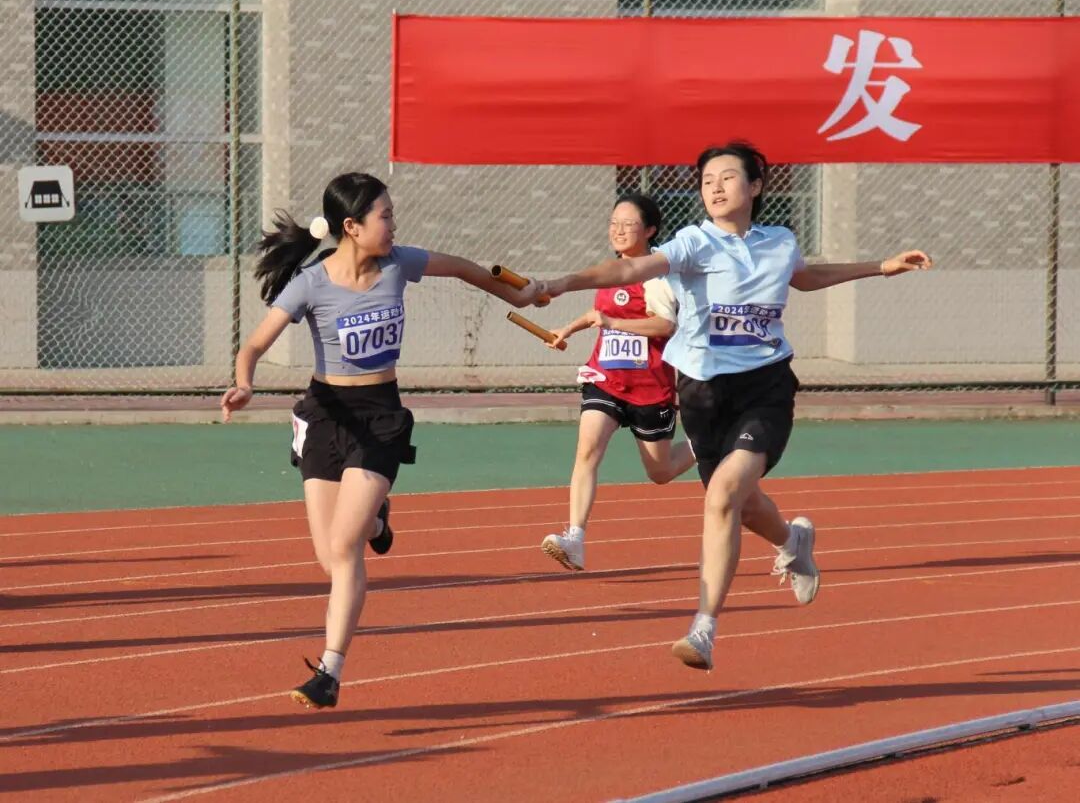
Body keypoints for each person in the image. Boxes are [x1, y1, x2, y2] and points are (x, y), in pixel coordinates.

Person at [539, 141, 931, 670]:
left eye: (727, 177)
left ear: (756, 185)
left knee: (723, 495)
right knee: (743, 505)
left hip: (764, 388)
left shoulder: (779, 241)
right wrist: (563, 283)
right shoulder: (692, 243)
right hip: (701, 394)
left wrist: (882, 266)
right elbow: (629, 271)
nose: (716, 187)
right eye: (707, 181)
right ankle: (793, 541)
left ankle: (703, 629)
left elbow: (807, 277)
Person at [220, 172, 542, 707]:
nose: (392, 225)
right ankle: (377, 520)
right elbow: (252, 346)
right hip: (325, 416)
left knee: (345, 548)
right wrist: (244, 384)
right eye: (384, 216)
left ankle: (329, 672)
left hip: (380, 417)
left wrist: (520, 294)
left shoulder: (399, 264)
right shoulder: (311, 283)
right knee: (331, 558)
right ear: (351, 226)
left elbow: (464, 269)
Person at [540, 194, 695, 572]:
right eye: (614, 223)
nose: (619, 230)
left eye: (628, 224)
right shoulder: (610, 270)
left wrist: (615, 323)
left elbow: (665, 325)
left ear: (650, 230)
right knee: (587, 450)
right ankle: (575, 538)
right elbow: (600, 311)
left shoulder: (659, 275)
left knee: (660, 472)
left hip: (650, 387)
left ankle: (710, 439)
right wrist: (567, 329)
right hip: (606, 379)